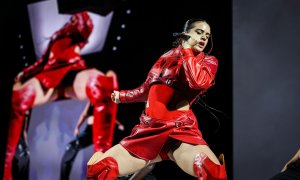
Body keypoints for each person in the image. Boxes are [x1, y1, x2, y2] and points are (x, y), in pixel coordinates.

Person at [86, 18, 227, 180]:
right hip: (148, 131)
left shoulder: (208, 61)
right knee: (100, 170)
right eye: (199, 32)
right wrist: (122, 96)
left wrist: (187, 50)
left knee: (212, 173)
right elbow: (146, 89)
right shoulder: (166, 57)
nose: (204, 38)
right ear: (185, 33)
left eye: (207, 35)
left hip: (180, 132)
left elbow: (197, 82)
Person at [4, 11, 118, 180]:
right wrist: (25, 73)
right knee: (20, 97)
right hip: (49, 73)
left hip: (73, 69)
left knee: (103, 84)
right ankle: (5, 172)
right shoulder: (55, 38)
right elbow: (42, 61)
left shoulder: (82, 25)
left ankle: (103, 170)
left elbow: (86, 24)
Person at [60, 99, 125, 180]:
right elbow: (84, 114)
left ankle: (114, 176)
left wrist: (118, 125)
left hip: (101, 131)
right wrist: (77, 127)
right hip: (89, 131)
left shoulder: (107, 100)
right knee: (71, 147)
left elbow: (111, 116)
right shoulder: (92, 100)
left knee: (107, 156)